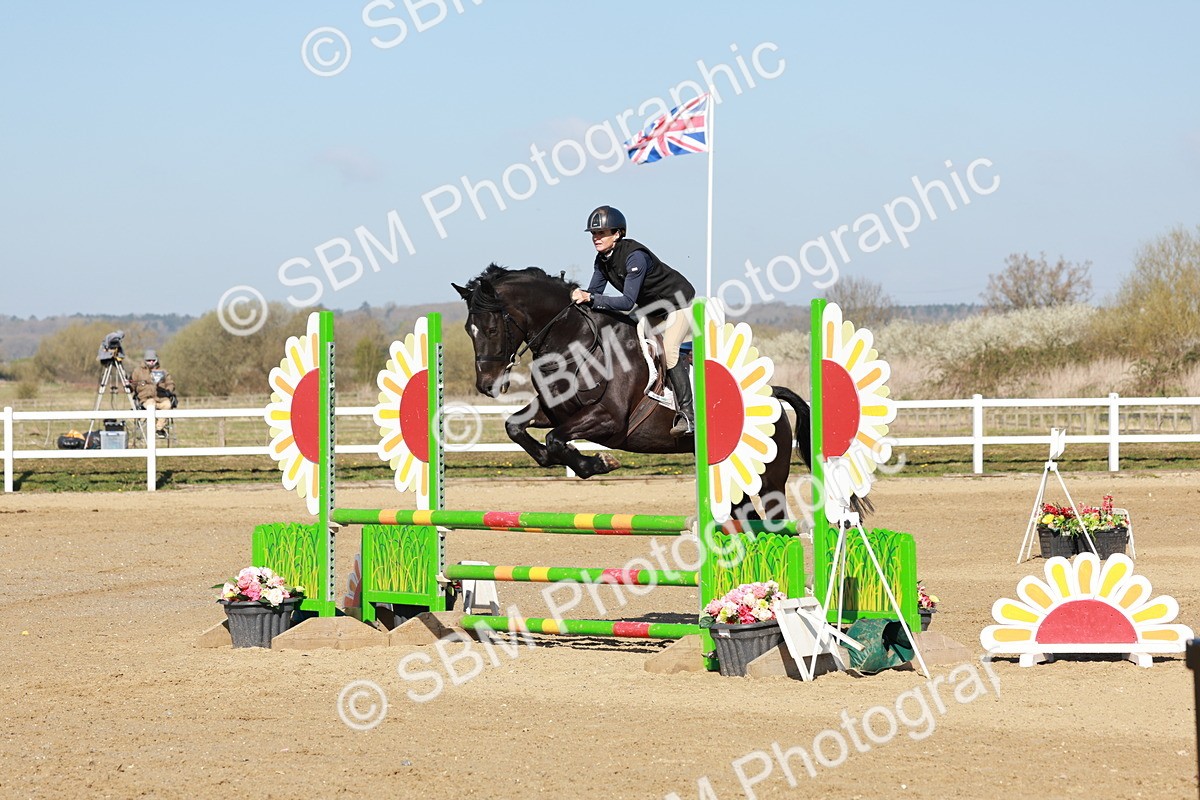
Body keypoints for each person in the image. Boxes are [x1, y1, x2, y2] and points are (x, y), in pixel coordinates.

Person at [570, 205, 697, 436]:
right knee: (628, 340)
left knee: (669, 350)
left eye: (602, 233)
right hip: (654, 308)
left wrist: (590, 297)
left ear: (617, 234)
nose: (596, 238)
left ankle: (689, 415)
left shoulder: (634, 256)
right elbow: (594, 296)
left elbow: (627, 302)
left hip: (679, 303)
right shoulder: (602, 261)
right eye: (594, 234)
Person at [127, 349, 176, 437]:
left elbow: (170, 383)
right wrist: (128, 386)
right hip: (145, 399)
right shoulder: (137, 371)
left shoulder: (163, 371)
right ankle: (148, 425)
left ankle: (159, 428)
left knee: (168, 404)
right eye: (149, 360)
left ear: (156, 360)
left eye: (153, 360)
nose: (151, 362)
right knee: (151, 405)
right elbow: (132, 385)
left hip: (161, 398)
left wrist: (169, 391)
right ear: (145, 360)